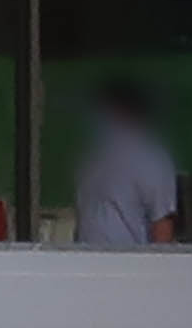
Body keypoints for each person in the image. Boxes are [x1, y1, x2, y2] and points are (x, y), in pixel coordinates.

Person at [74, 78, 178, 245]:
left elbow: (162, 224)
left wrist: (158, 262)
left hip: (129, 258)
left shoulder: (150, 157)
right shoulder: (92, 157)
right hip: (88, 256)